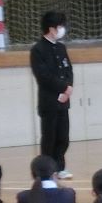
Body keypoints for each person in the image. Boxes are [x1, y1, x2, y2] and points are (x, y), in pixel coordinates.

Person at [29, 10, 74, 177]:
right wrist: (62, 88)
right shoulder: (38, 50)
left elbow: (68, 70)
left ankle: (60, 167)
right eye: (60, 26)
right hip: (49, 102)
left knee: (63, 137)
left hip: (64, 101)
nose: (62, 29)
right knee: (49, 138)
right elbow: (43, 76)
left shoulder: (61, 48)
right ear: (51, 29)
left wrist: (68, 88)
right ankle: (47, 170)